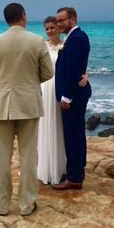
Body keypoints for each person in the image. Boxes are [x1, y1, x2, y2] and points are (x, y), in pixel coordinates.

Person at [0, 3, 54, 216]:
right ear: (23, 16)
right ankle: (26, 205)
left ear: (7, 19)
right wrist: (30, 82)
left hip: (2, 104)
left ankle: (1, 205)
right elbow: (48, 73)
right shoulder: (37, 41)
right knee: (29, 157)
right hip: (29, 104)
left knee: (1, 159)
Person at [38, 16, 89, 185]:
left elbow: (76, 64)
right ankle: (49, 167)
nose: (50, 31)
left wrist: (86, 75)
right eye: (47, 28)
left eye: (53, 27)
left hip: (62, 88)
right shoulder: (42, 46)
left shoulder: (66, 43)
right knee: (48, 126)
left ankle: (65, 167)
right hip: (47, 88)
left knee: (63, 130)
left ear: (59, 28)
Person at [52, 7, 92, 190]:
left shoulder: (76, 38)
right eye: (58, 21)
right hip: (75, 94)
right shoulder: (75, 38)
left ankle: (74, 177)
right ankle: (77, 171)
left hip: (73, 97)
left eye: (62, 20)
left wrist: (66, 96)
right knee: (76, 134)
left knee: (72, 135)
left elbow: (73, 70)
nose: (59, 24)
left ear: (73, 19)